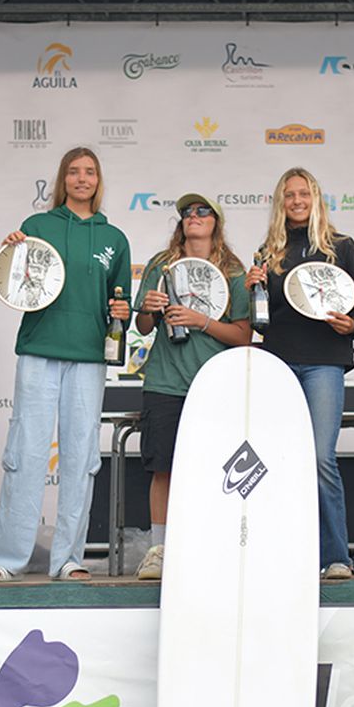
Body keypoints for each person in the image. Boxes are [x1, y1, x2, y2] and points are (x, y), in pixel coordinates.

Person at [0, 147, 131, 581]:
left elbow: (120, 302)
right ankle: (6, 559)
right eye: (73, 172)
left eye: (89, 172)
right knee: (25, 451)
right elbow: (14, 283)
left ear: (98, 181)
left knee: (81, 458)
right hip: (40, 349)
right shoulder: (36, 228)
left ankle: (69, 558)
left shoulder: (114, 238)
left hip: (88, 356)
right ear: (62, 179)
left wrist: (122, 312)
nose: (82, 179)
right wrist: (12, 252)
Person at [244, 167, 354, 580]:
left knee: (320, 458)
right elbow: (260, 321)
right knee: (281, 460)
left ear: (316, 198)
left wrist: (351, 324)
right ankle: (286, 555)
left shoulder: (342, 247)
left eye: (304, 193)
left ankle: (337, 556)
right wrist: (251, 290)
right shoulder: (267, 252)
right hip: (278, 361)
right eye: (289, 195)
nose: (297, 201)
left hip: (324, 361)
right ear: (280, 203)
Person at [132, 193, 253, 580]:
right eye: (187, 212)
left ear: (216, 221)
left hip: (215, 383)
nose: (194, 217)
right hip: (166, 382)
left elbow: (244, 336)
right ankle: (159, 550)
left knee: (216, 469)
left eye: (203, 211)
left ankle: (210, 546)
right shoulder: (161, 265)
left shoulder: (234, 272)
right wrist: (150, 308)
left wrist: (201, 320)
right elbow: (143, 328)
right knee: (163, 468)